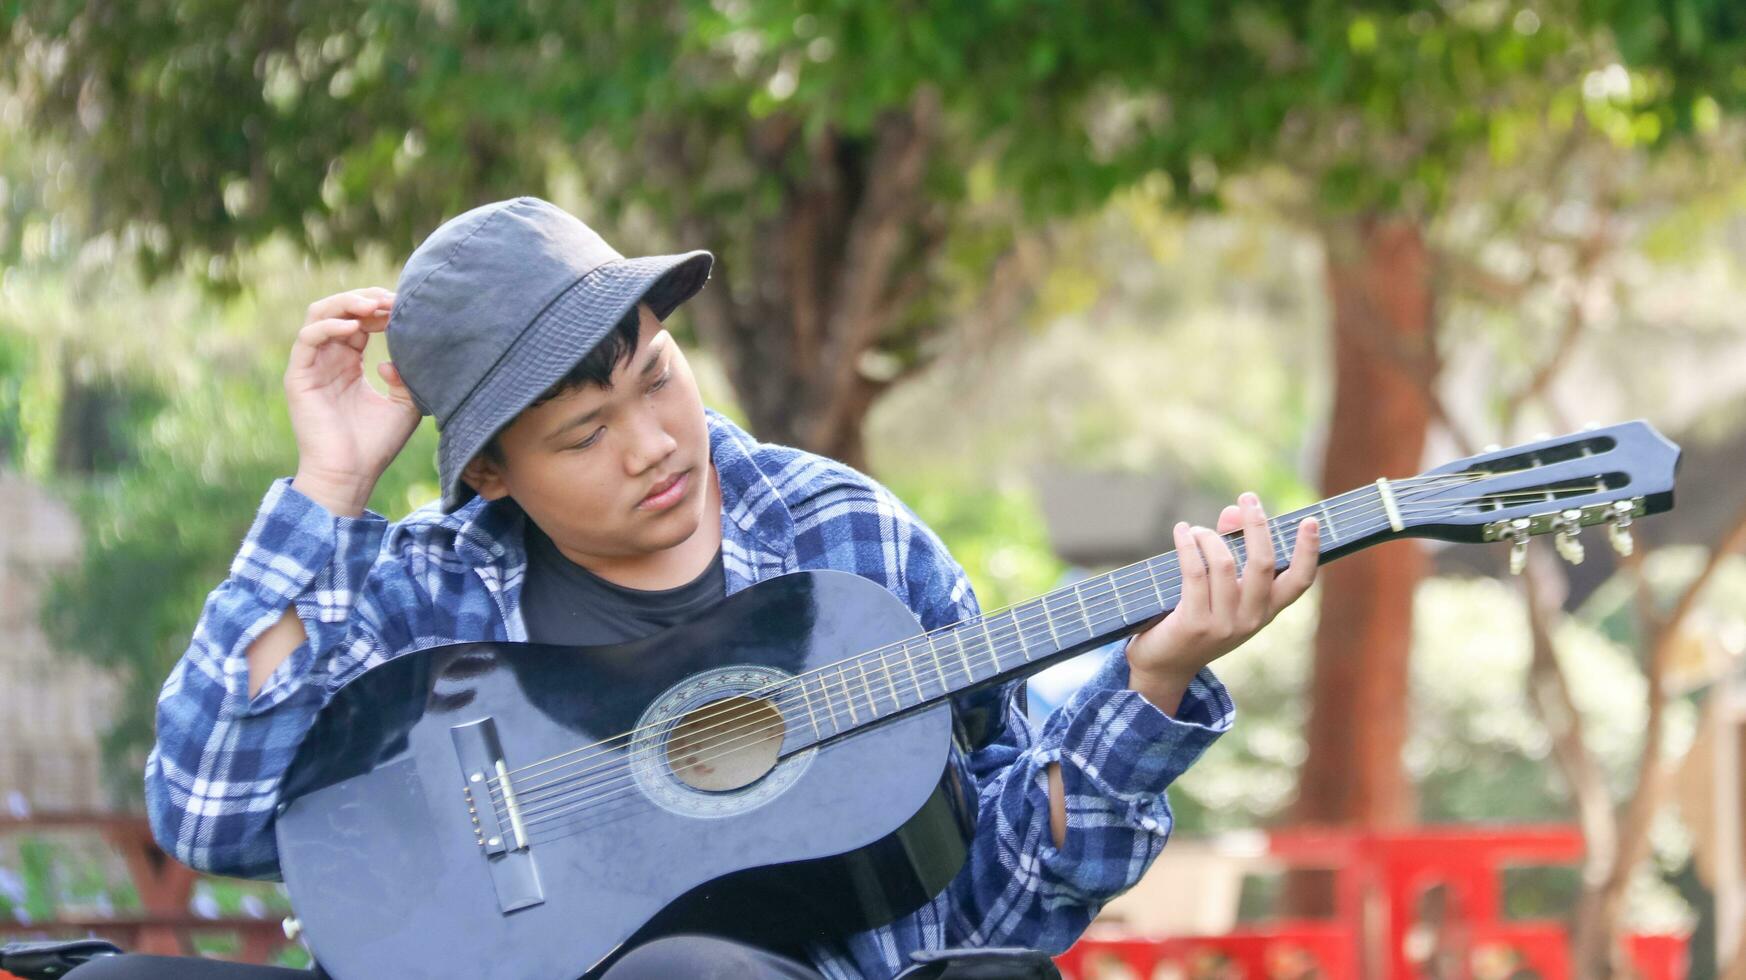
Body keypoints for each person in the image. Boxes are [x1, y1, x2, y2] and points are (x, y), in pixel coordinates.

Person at [84, 197, 1319, 980]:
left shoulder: (842, 536)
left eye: (658, 379)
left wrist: (1149, 682)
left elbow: (1003, 911)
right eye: (583, 435)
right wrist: (330, 486)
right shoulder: (426, 597)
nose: (654, 444)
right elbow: (209, 813)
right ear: (494, 474)